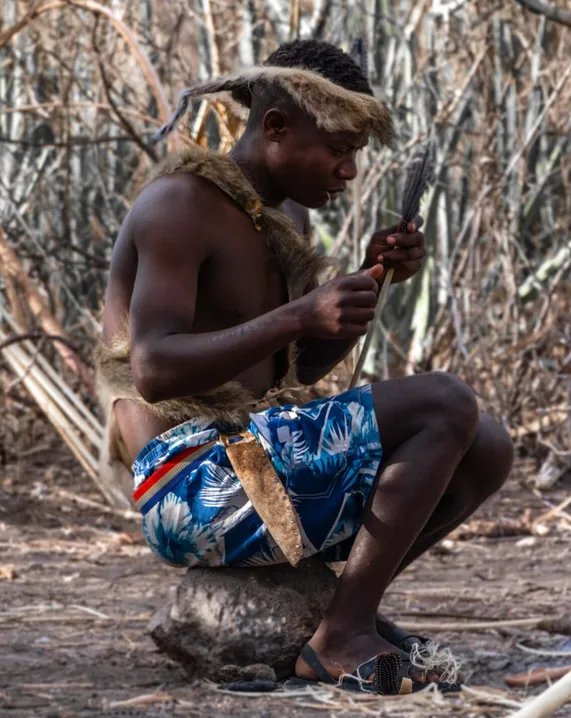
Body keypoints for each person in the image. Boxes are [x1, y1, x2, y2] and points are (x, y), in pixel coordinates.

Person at [96, 40, 514, 695]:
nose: (348, 171)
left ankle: (346, 612)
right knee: (444, 402)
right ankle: (340, 636)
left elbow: (284, 365)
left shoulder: (280, 217)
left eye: (356, 154)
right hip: (184, 483)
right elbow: (153, 368)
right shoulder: (181, 204)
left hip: (254, 463)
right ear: (275, 129)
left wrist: (365, 284)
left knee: (486, 445)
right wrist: (300, 315)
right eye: (339, 150)